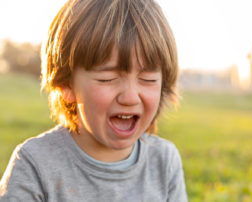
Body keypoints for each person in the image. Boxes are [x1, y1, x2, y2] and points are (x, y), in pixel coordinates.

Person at [0, 0, 188, 201]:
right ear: (66, 85)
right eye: (107, 79)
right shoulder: (35, 165)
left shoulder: (164, 161)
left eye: (148, 80)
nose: (131, 97)